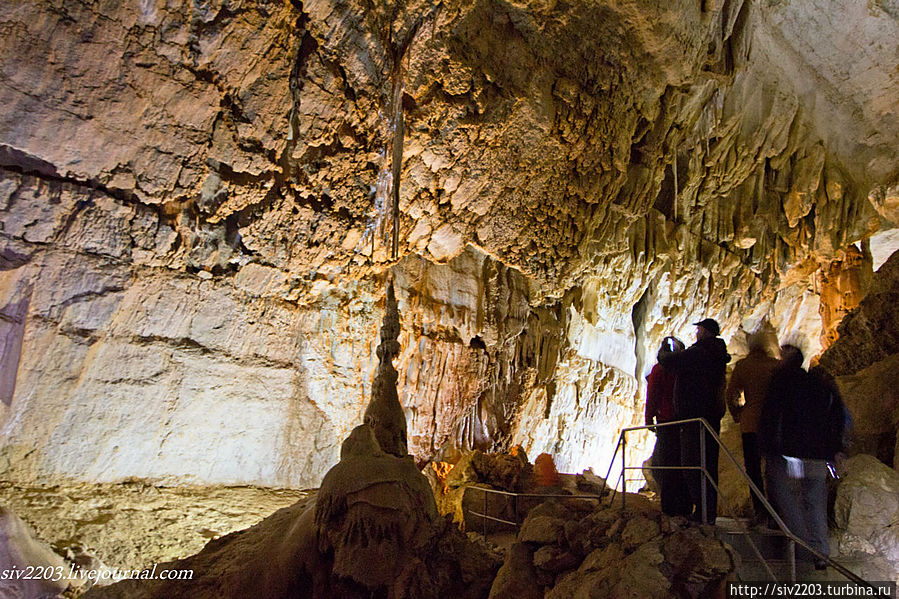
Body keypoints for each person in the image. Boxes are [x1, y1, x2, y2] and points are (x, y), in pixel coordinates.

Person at [759, 344, 849, 569]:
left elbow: (772, 416)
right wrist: (834, 448)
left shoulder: (781, 383)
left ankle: (802, 546)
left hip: (791, 455)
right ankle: (821, 552)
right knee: (815, 501)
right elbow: (836, 416)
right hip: (818, 455)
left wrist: (767, 446)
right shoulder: (820, 384)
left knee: (783, 493)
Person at [658, 318, 731, 524]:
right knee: (707, 464)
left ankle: (702, 513)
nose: (697, 332)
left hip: (694, 418)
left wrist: (664, 351)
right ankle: (707, 512)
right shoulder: (716, 353)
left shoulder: (701, 352)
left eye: (698, 329)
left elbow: (671, 362)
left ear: (706, 332)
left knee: (692, 464)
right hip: (709, 417)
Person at [726, 330, 780, 524]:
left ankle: (760, 510)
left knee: (753, 469)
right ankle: (778, 509)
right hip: (773, 424)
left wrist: (737, 413)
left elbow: (731, 394)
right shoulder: (776, 366)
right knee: (774, 467)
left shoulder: (743, 366)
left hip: (750, 424)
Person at [645, 336, 690, 517]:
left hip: (667, 421)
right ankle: (686, 505)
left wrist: (649, 418)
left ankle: (670, 506)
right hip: (685, 422)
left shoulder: (660, 370)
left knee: (666, 465)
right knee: (684, 464)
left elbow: (653, 395)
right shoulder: (685, 370)